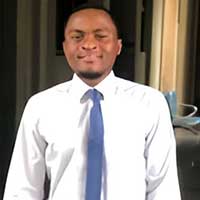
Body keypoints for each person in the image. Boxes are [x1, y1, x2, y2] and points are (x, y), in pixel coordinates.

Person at [3, 3, 181, 200]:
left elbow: (163, 188)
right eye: (77, 37)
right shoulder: (40, 107)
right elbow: (22, 189)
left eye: (100, 36)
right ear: (65, 46)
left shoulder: (149, 103)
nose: (88, 44)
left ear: (118, 46)